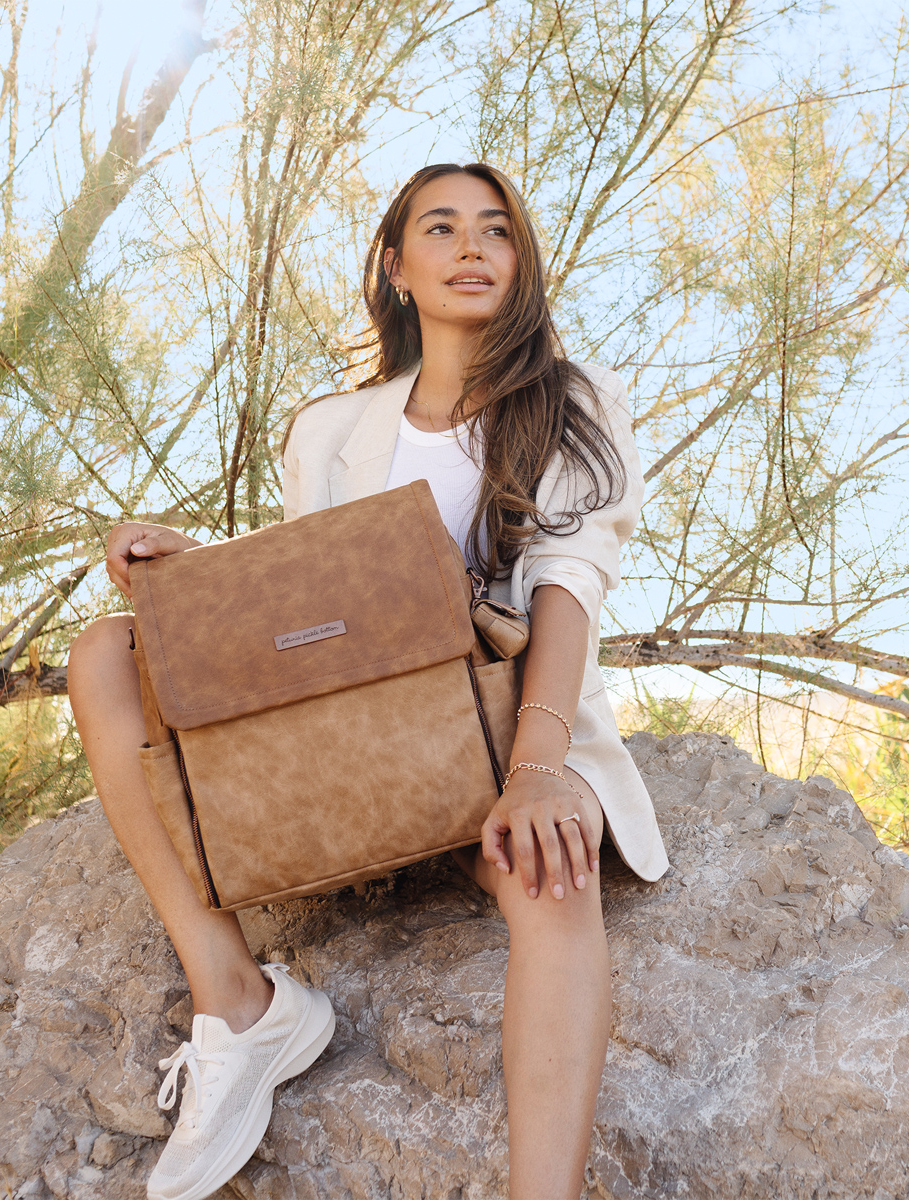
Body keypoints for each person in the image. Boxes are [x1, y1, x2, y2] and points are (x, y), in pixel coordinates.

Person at [67, 162, 669, 1200]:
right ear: (396, 266)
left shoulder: (572, 400)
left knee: (551, 872)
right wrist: (194, 570)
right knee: (101, 651)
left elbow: (567, 589)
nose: (474, 248)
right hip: (356, 752)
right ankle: (242, 1005)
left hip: (493, 732)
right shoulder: (331, 429)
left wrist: (540, 767)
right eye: (442, 229)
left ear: (522, 262)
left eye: (497, 231)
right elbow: (317, 607)